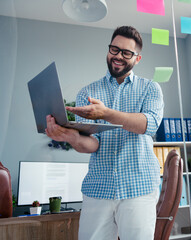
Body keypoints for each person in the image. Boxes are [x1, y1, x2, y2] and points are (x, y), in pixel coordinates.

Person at [45, 26, 164, 240]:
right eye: (114, 49)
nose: (118, 56)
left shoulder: (150, 88)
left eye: (126, 53)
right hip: (98, 188)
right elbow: (93, 144)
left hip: (139, 186)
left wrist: (106, 113)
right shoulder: (87, 93)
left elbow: (149, 125)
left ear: (137, 59)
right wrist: (70, 137)